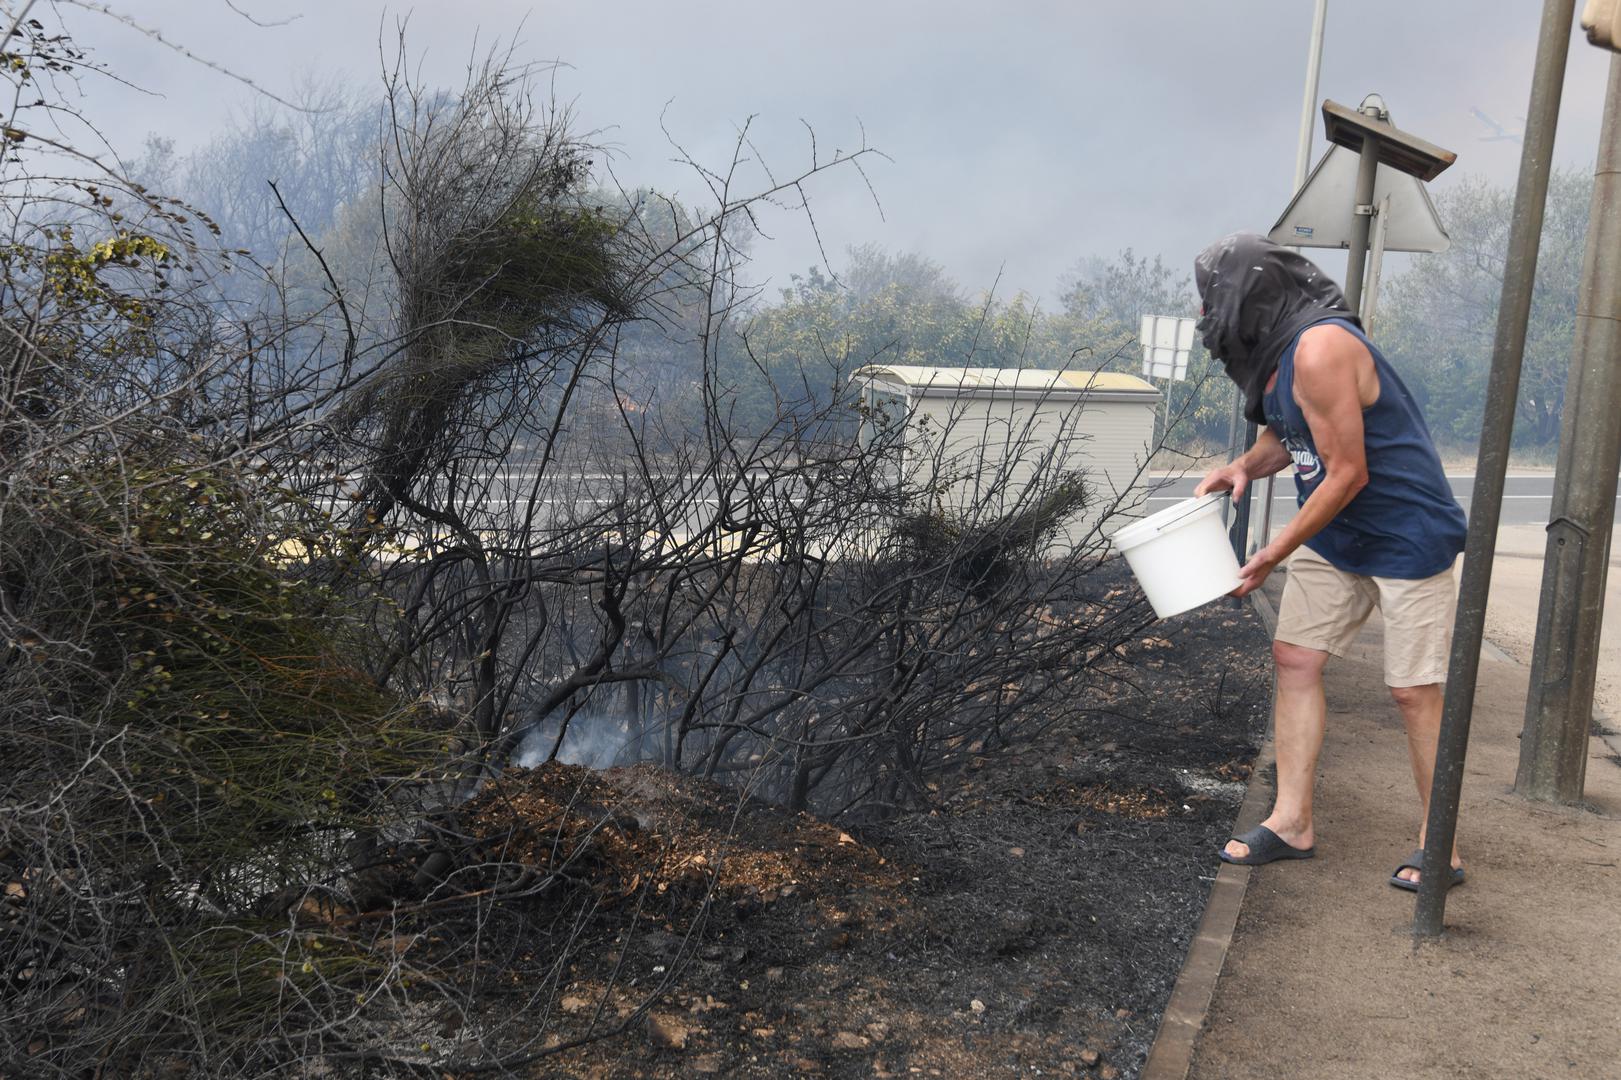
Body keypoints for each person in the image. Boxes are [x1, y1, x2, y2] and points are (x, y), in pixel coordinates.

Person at [1191, 232, 1468, 892]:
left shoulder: (1320, 348)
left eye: (1210, 300)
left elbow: (1345, 472)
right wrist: (1240, 467)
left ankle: (1440, 843)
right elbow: (1290, 438)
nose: (1206, 317)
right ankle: (1291, 822)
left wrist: (1270, 552)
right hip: (1337, 534)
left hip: (1405, 534)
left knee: (1411, 689)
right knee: (1295, 657)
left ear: (1248, 296)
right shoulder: (1284, 356)